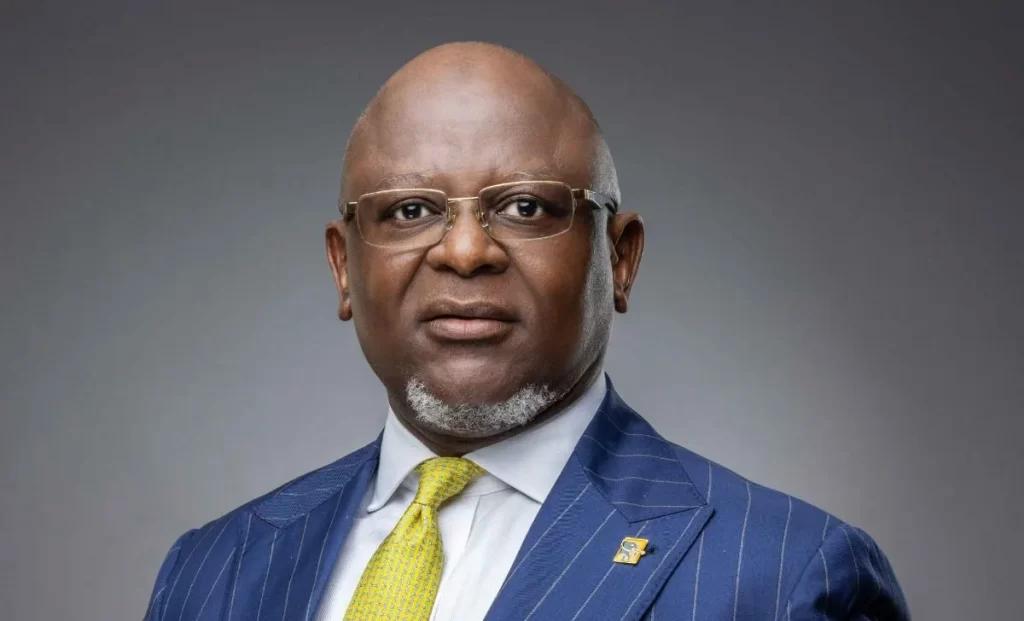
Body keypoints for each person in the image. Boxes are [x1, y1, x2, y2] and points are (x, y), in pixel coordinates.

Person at [144, 42, 910, 621]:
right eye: (410, 210)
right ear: (344, 267)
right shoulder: (209, 571)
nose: (465, 251)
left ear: (620, 257)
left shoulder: (788, 578)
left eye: (526, 207)